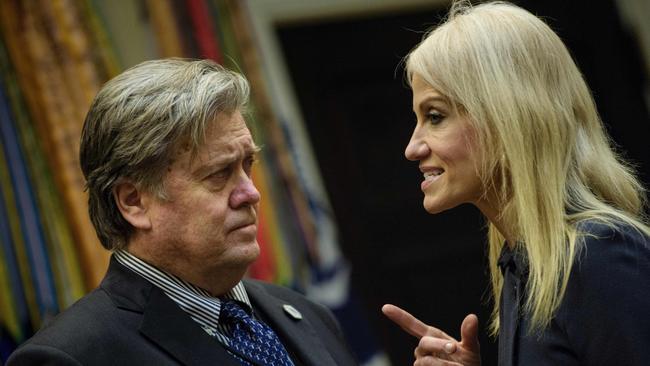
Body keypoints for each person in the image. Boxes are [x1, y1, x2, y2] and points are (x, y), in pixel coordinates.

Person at [7, 59, 357, 366]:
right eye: (219, 174)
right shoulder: (72, 356)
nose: (251, 193)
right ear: (133, 202)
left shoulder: (308, 315)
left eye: (247, 165)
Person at [382, 1, 650, 365]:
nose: (412, 148)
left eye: (435, 116)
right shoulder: (523, 264)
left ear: (509, 116)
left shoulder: (598, 255)